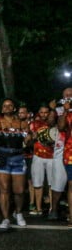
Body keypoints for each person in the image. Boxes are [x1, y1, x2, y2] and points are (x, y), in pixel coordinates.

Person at [0, 99, 31, 229]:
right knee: (5, 190)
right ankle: (5, 218)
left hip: (18, 157)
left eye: (10, 105)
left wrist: (29, 139)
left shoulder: (22, 124)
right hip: (2, 157)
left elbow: (28, 142)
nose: (7, 107)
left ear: (14, 108)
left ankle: (18, 213)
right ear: (2, 109)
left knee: (18, 191)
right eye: (4, 105)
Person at [56, 87, 72, 227]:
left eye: (71, 96)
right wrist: (66, 110)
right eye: (66, 97)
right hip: (70, 153)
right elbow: (61, 127)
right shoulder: (64, 113)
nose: (69, 98)